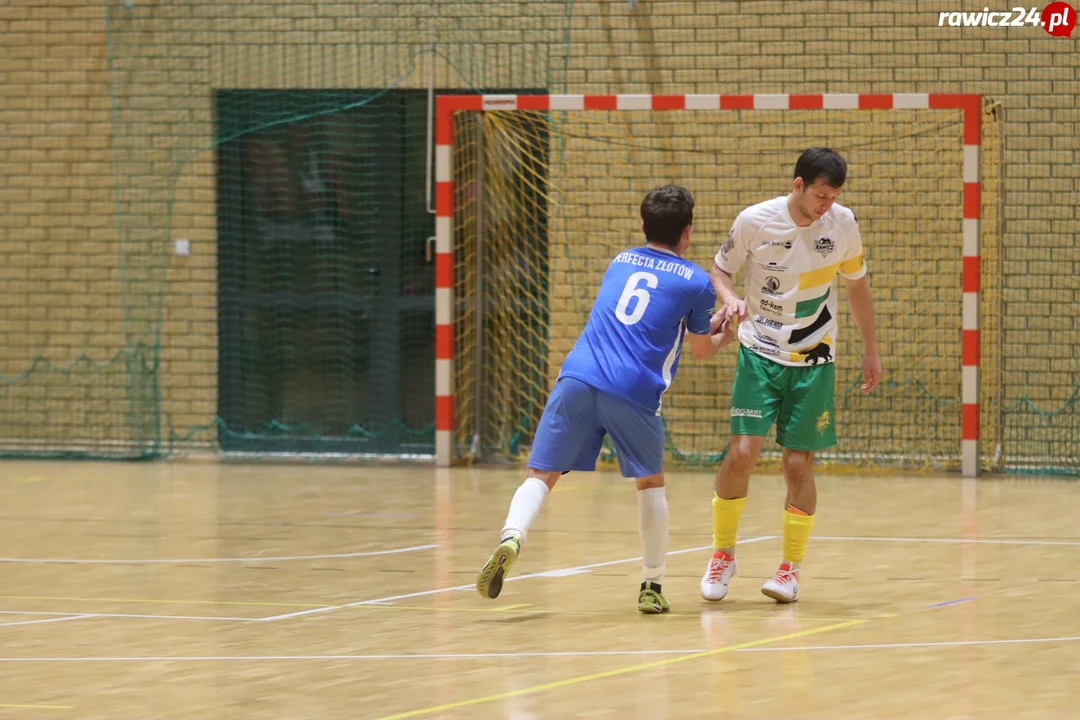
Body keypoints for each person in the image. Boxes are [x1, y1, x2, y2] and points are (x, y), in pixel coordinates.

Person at [475, 184, 735, 614]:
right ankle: (651, 584)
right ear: (687, 233)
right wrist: (731, 330)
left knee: (541, 474)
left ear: (642, 225)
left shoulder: (619, 261)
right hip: (633, 389)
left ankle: (512, 535)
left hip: (577, 375)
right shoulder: (695, 280)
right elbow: (702, 348)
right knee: (650, 485)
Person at [700, 147, 882, 604]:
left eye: (834, 196)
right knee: (742, 452)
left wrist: (871, 351)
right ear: (798, 185)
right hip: (759, 350)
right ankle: (723, 555)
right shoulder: (755, 221)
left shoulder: (843, 224)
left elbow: (857, 287)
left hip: (814, 357)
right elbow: (720, 271)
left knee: (798, 463)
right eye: (820, 195)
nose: (827, 205)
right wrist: (730, 299)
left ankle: (789, 569)